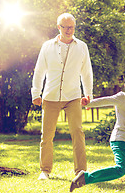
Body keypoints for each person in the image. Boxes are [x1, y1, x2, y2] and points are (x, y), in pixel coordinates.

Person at [31, 13, 93, 180]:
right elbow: (39, 71)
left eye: (71, 27)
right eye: (65, 27)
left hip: (73, 96)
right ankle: (45, 171)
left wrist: (88, 93)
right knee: (47, 135)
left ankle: (81, 171)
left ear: (74, 27)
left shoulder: (82, 46)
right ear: (59, 27)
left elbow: (86, 72)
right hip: (50, 96)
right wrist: (36, 93)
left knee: (77, 132)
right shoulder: (47, 46)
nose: (68, 30)